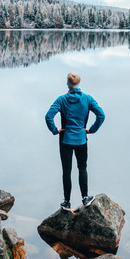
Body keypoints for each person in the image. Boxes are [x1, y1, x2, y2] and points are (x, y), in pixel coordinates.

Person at [45, 72, 105, 211]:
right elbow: (101, 115)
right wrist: (91, 130)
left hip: (65, 140)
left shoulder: (61, 99)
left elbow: (48, 117)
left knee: (66, 171)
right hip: (81, 139)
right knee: (82, 168)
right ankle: (85, 198)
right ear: (79, 83)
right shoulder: (88, 99)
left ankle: (66, 202)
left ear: (67, 84)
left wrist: (55, 130)